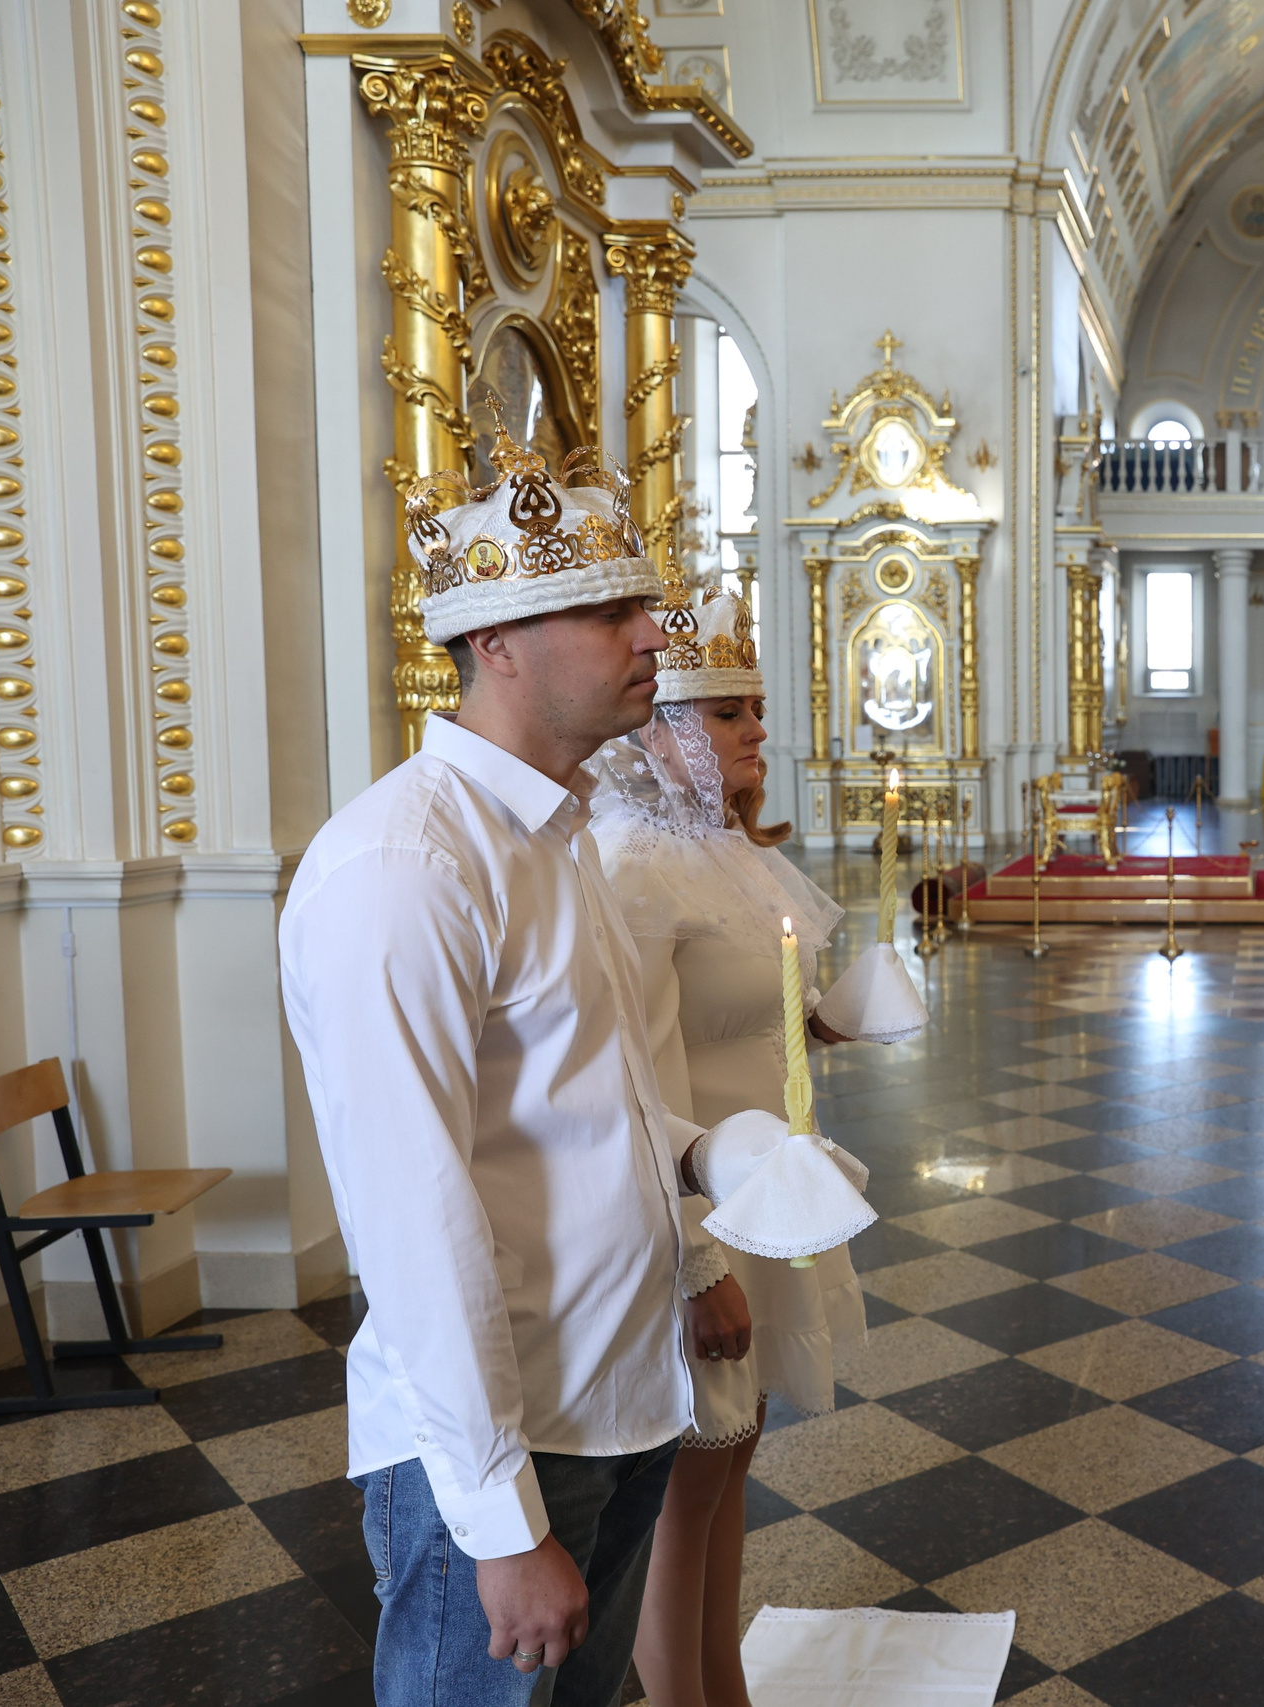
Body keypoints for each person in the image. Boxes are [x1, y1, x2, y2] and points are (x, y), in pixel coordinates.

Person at [282, 426, 782, 1707]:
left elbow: (594, 1103)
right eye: (610, 612)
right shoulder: (406, 866)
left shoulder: (557, 837)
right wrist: (502, 1526)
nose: (654, 634)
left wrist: (710, 1179)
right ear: (496, 641)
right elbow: (413, 1215)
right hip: (507, 1443)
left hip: (621, 1392)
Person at [589, 585, 869, 1707]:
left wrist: (824, 1021)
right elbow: (643, 1085)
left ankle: (724, 1688)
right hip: (701, 1215)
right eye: (726, 711)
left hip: (768, 1189)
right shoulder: (631, 867)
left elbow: (750, 1018)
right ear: (657, 731)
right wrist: (695, 1263)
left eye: (753, 706)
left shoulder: (725, 852)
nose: (758, 728)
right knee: (683, 1490)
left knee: (731, 1461)